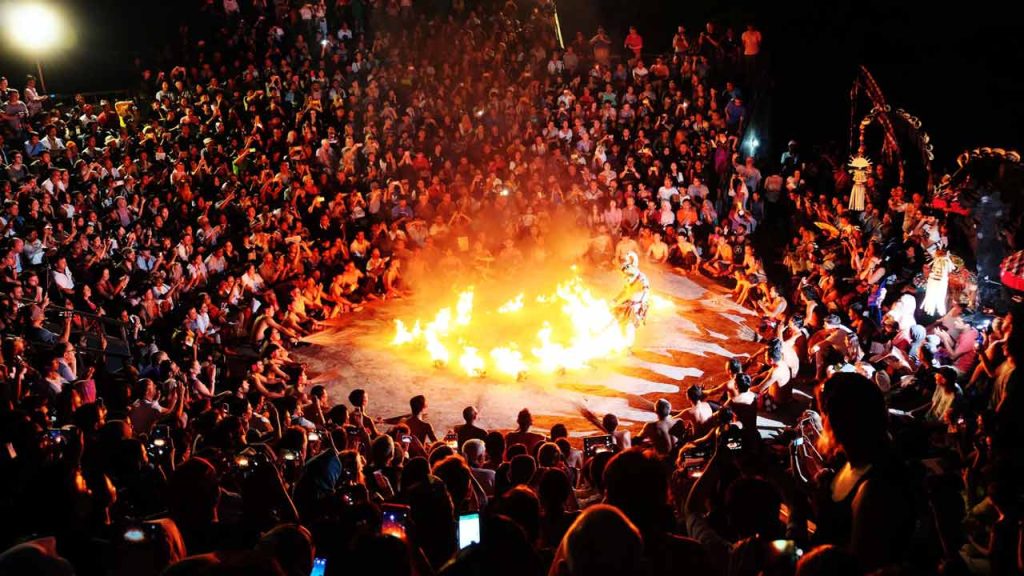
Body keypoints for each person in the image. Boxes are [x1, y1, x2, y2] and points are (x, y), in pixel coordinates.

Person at [614, 251, 650, 341]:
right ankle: (619, 337)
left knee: (630, 325)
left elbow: (646, 292)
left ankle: (628, 345)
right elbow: (625, 290)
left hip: (637, 305)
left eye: (627, 275)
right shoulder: (628, 278)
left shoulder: (641, 278)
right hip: (630, 302)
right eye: (624, 275)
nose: (626, 277)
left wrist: (640, 304)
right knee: (617, 316)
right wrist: (616, 299)